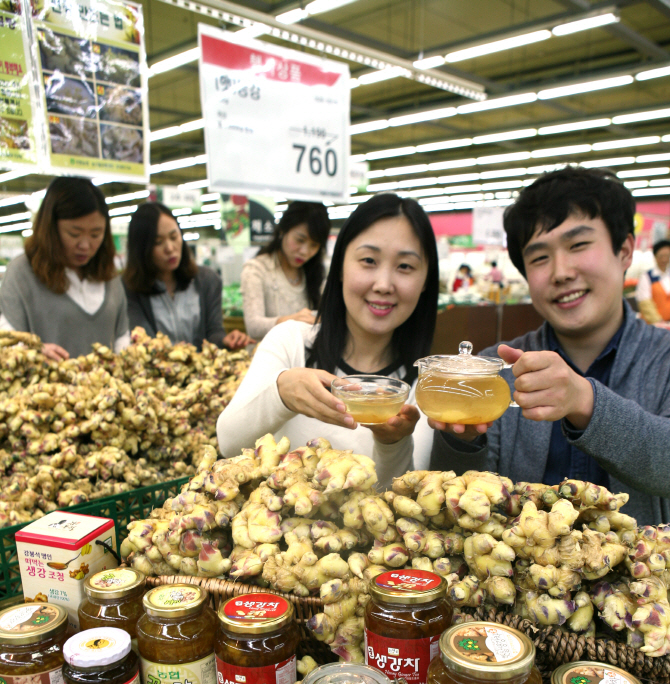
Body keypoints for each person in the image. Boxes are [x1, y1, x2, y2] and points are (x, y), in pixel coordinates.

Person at [429, 166, 670, 525]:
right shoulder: (496, 369)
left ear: (624, 250)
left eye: (578, 245)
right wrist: (461, 444)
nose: (560, 272)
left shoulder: (663, 358)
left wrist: (584, 401)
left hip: (645, 577)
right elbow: (458, 509)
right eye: (539, 257)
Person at [218, 193, 439, 488]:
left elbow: (404, 495)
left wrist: (393, 442)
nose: (384, 284)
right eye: (369, 260)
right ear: (340, 268)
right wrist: (281, 393)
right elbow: (228, 442)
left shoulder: (424, 387)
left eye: (405, 267)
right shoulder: (292, 343)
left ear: (426, 282)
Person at [0, 176, 128, 361]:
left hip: (107, 388)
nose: (85, 245)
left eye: (96, 234)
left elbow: (122, 338)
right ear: (50, 229)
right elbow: (6, 341)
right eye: (74, 233)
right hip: (44, 387)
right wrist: (32, 352)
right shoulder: (22, 273)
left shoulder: (108, 274)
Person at [123, 202, 253, 351]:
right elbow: (143, 341)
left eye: (174, 236)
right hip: (155, 373)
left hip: (204, 372)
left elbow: (214, 332)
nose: (170, 248)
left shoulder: (207, 280)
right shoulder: (129, 289)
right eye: (158, 242)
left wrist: (225, 340)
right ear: (141, 248)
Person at [240, 201, 330, 340]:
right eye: (300, 240)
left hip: (301, 359)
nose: (305, 251)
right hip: (266, 357)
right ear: (283, 230)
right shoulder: (257, 269)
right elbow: (254, 327)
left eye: (314, 245)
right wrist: (294, 320)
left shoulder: (314, 273)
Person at [636, 238, 670, 324]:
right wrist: (659, 322)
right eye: (661, 256)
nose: (664, 260)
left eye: (667, 256)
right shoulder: (647, 277)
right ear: (655, 256)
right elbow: (645, 303)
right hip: (654, 326)